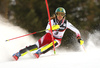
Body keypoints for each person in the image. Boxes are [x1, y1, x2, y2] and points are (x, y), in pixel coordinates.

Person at [13, 7, 84, 61]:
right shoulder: (52, 21)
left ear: (64, 16)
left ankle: (39, 52)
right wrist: (53, 27)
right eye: (58, 14)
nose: (59, 16)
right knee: (36, 46)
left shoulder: (66, 23)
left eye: (61, 14)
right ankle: (18, 54)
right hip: (49, 36)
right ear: (56, 15)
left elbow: (76, 31)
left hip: (57, 39)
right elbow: (47, 30)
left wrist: (79, 38)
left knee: (55, 43)